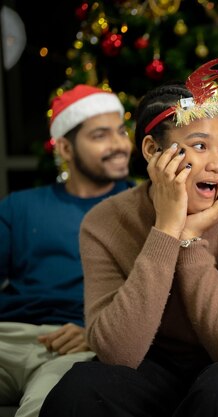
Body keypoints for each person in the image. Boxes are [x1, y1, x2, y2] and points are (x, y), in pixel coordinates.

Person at [40, 59, 218, 417]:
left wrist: (190, 242)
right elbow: (118, 353)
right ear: (151, 151)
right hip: (151, 359)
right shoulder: (104, 222)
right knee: (80, 391)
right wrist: (167, 230)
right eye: (200, 146)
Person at [0, 84, 133, 417]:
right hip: (9, 335)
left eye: (120, 131)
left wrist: (101, 335)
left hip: (78, 345)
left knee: (50, 404)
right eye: (100, 135)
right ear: (66, 148)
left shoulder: (144, 209)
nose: (119, 145)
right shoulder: (21, 207)